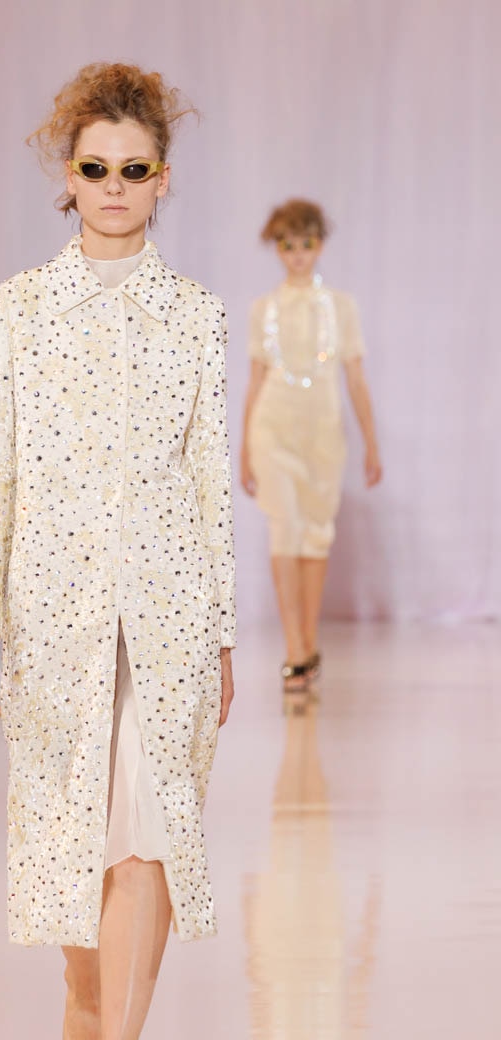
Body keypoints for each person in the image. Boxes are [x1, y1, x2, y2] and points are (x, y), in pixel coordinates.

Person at [0, 62, 236, 1040]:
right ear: (66, 178)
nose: (114, 187)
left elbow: (208, 483)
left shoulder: (196, 315)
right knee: (74, 825)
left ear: (162, 179)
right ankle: (83, 996)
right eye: (95, 168)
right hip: (51, 611)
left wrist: (221, 634)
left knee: (148, 832)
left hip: (168, 610)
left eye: (134, 169)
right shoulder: (22, 308)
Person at [239, 199, 382, 694]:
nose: (297, 253)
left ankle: (309, 641)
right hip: (273, 429)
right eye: (287, 244)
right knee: (284, 530)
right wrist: (244, 446)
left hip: (323, 431)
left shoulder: (341, 307)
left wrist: (371, 442)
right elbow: (255, 379)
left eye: (306, 243)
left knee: (316, 533)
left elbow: (356, 378)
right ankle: (295, 650)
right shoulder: (263, 309)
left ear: (319, 245)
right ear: (276, 248)